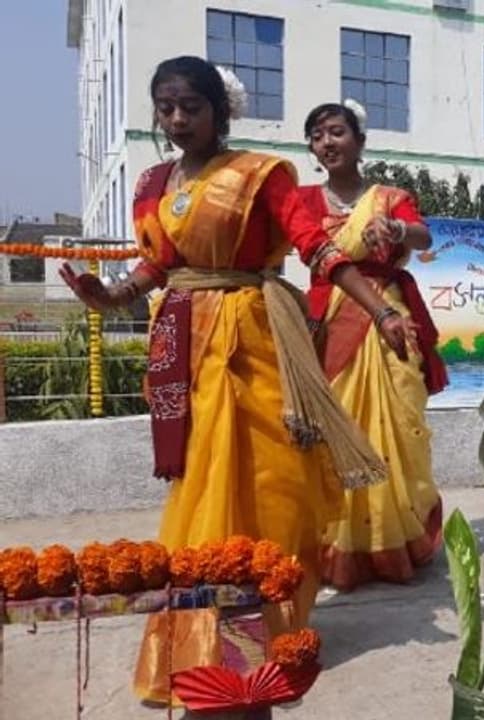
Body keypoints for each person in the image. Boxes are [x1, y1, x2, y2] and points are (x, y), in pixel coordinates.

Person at [58, 56, 413, 705]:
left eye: (189, 106)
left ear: (220, 111)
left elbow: (321, 250)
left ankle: (275, 634)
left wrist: (382, 310)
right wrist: (107, 298)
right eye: (165, 106)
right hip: (185, 343)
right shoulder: (153, 184)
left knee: (277, 480)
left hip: (256, 337)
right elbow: (154, 270)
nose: (176, 119)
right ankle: (198, 648)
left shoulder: (260, 175)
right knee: (202, 482)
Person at [300, 100, 449, 591]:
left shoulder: (389, 197)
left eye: (337, 132)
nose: (327, 142)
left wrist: (399, 229)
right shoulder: (303, 202)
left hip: (389, 324)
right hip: (329, 325)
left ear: (359, 141)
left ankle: (398, 543)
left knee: (399, 427)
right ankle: (340, 549)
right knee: (336, 430)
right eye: (318, 135)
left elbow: (424, 235)